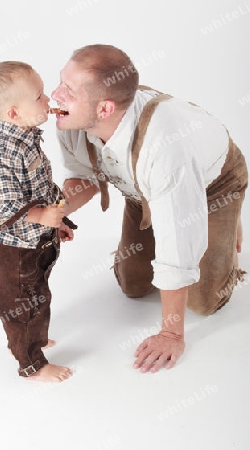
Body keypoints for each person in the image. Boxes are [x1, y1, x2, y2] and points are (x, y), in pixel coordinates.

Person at [51, 44, 248, 374]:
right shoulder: (73, 121)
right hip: (142, 186)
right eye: (61, 82)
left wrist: (172, 333)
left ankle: (228, 218)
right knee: (133, 285)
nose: (55, 94)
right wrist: (54, 212)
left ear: (104, 109)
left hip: (214, 185)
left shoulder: (166, 150)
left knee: (204, 300)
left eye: (68, 90)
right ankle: (164, 205)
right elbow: (84, 176)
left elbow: (178, 246)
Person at [0, 61, 76, 382]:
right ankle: (31, 364)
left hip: (35, 239)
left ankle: (30, 341)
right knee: (23, 304)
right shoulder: (3, 155)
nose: (48, 101)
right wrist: (41, 216)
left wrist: (58, 222)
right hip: (15, 248)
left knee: (38, 295)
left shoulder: (27, 139)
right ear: (14, 113)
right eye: (39, 97)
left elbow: (41, 186)